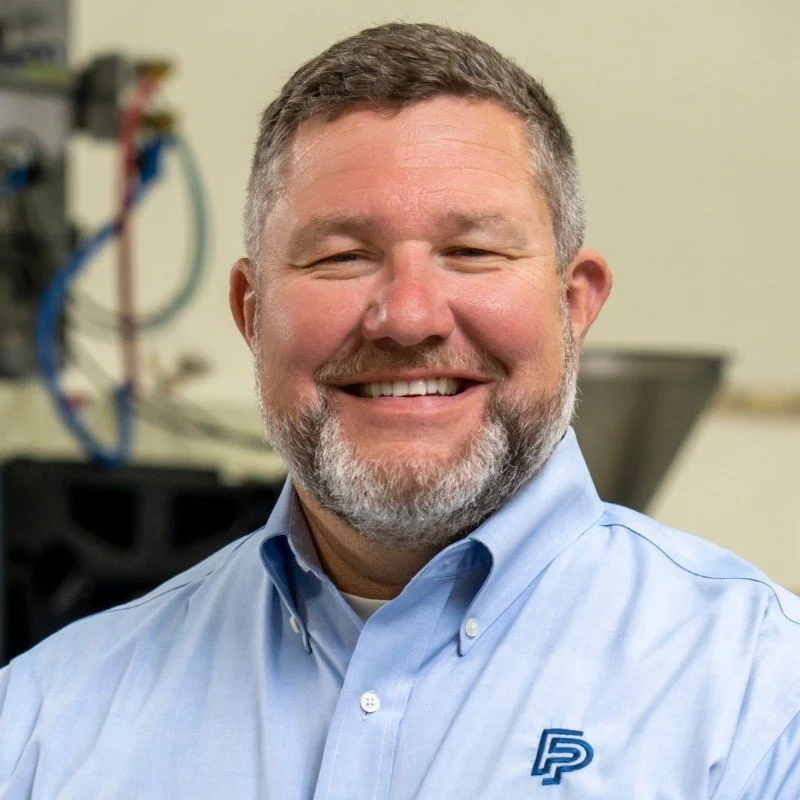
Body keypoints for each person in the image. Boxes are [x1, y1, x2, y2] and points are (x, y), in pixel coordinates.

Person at [1, 22, 799, 800]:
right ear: (252, 312)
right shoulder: (45, 722)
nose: (409, 316)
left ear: (573, 303)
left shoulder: (761, 697)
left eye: (473, 252)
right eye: (342, 257)